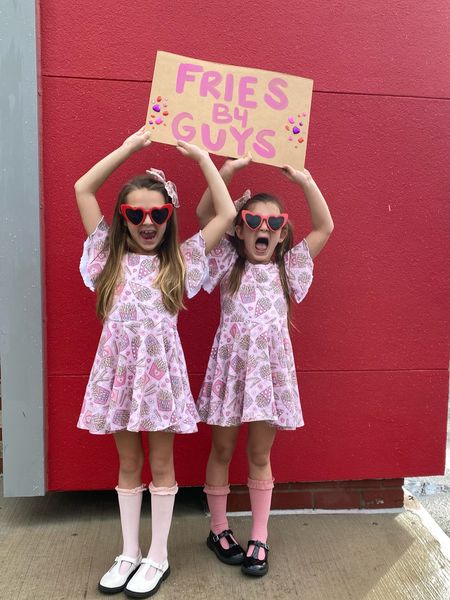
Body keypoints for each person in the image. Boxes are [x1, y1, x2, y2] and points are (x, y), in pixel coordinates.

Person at [75, 127, 236, 598]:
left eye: (158, 212)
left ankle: (158, 555)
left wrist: (204, 159)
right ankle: (128, 551)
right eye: (136, 213)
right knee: (128, 461)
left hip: (160, 378)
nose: (148, 221)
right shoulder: (106, 256)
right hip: (119, 375)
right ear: (123, 218)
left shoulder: (180, 262)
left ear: (170, 216)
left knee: (160, 462)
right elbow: (83, 189)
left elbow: (226, 212)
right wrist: (130, 148)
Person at [196, 154, 334, 577]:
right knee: (222, 449)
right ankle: (218, 528)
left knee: (259, 453)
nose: (263, 230)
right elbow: (205, 214)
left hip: (267, 376)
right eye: (253, 222)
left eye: (274, 225)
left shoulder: (288, 267)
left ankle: (259, 536)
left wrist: (306, 180)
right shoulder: (226, 260)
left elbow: (325, 227)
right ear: (239, 228)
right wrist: (227, 173)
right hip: (231, 369)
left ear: (282, 233)